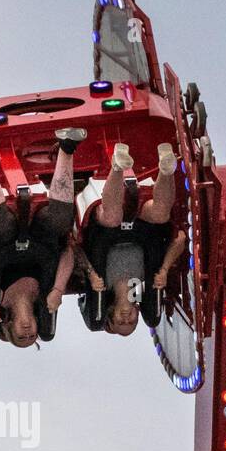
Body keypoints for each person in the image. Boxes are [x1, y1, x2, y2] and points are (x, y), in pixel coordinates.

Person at [0, 128, 85, 347]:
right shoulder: (47, 297)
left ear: (8, 328)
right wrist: (59, 288)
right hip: (41, 235)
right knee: (60, 219)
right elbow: (67, 252)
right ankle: (67, 148)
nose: (27, 331)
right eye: (31, 336)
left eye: (21, 336)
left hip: (0, 237)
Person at [79, 141, 186, 335]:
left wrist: (90, 273)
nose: (126, 319)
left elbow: (73, 248)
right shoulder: (143, 284)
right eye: (131, 323)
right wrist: (164, 269)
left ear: (110, 314)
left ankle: (118, 165)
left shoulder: (102, 284)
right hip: (140, 227)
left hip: (104, 224)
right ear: (138, 314)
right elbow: (180, 239)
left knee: (112, 217)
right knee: (161, 213)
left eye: (121, 323)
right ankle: (167, 167)